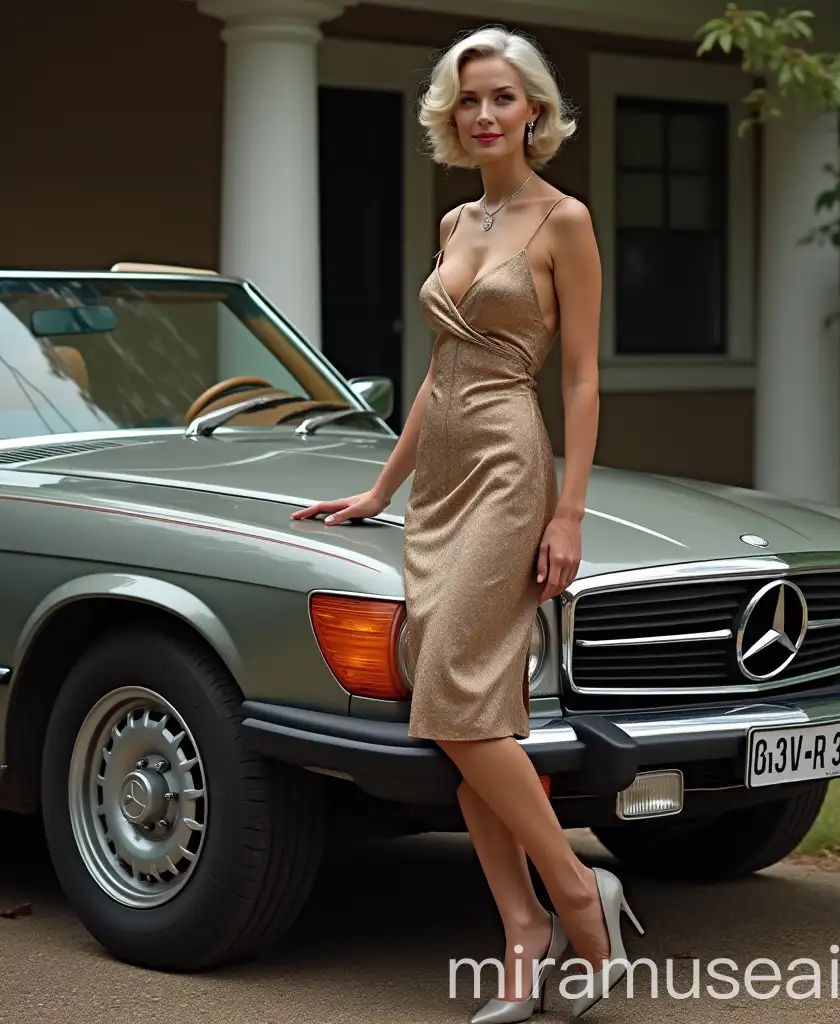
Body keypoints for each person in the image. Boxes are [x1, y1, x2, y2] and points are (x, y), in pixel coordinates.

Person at [292, 25, 642, 1021]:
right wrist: (377, 491)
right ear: (453, 118)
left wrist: (567, 510)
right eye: (468, 101)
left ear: (535, 109)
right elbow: (437, 375)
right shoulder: (455, 225)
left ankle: (580, 893)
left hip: (506, 466)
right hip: (440, 477)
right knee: (473, 717)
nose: (484, 114)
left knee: (445, 690)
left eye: (500, 97)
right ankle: (521, 931)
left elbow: (579, 376)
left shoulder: (563, 221)